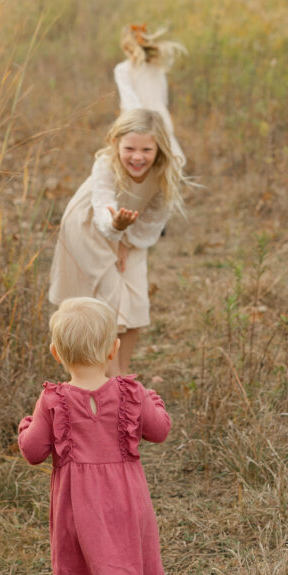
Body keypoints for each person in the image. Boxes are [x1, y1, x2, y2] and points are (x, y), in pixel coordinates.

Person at [18, 296, 171, 575]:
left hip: (75, 505)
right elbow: (159, 430)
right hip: (128, 498)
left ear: (56, 352)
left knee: (70, 568)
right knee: (143, 554)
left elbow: (33, 451)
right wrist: (155, 402)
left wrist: (25, 426)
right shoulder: (132, 393)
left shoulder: (52, 400)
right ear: (113, 349)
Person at [48, 108, 185, 376]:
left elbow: (154, 219)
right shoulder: (106, 165)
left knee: (135, 299)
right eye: (130, 148)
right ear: (115, 144)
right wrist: (115, 228)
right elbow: (102, 209)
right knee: (107, 301)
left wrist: (125, 241)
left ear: (159, 149)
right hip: (91, 228)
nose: (137, 156)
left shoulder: (166, 172)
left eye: (146, 149)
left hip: (132, 233)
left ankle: (122, 371)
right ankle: (106, 377)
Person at [114, 24, 186, 168]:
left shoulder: (123, 69)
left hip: (138, 122)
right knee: (167, 167)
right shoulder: (157, 69)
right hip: (161, 120)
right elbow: (163, 99)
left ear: (126, 46)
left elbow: (130, 102)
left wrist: (138, 127)